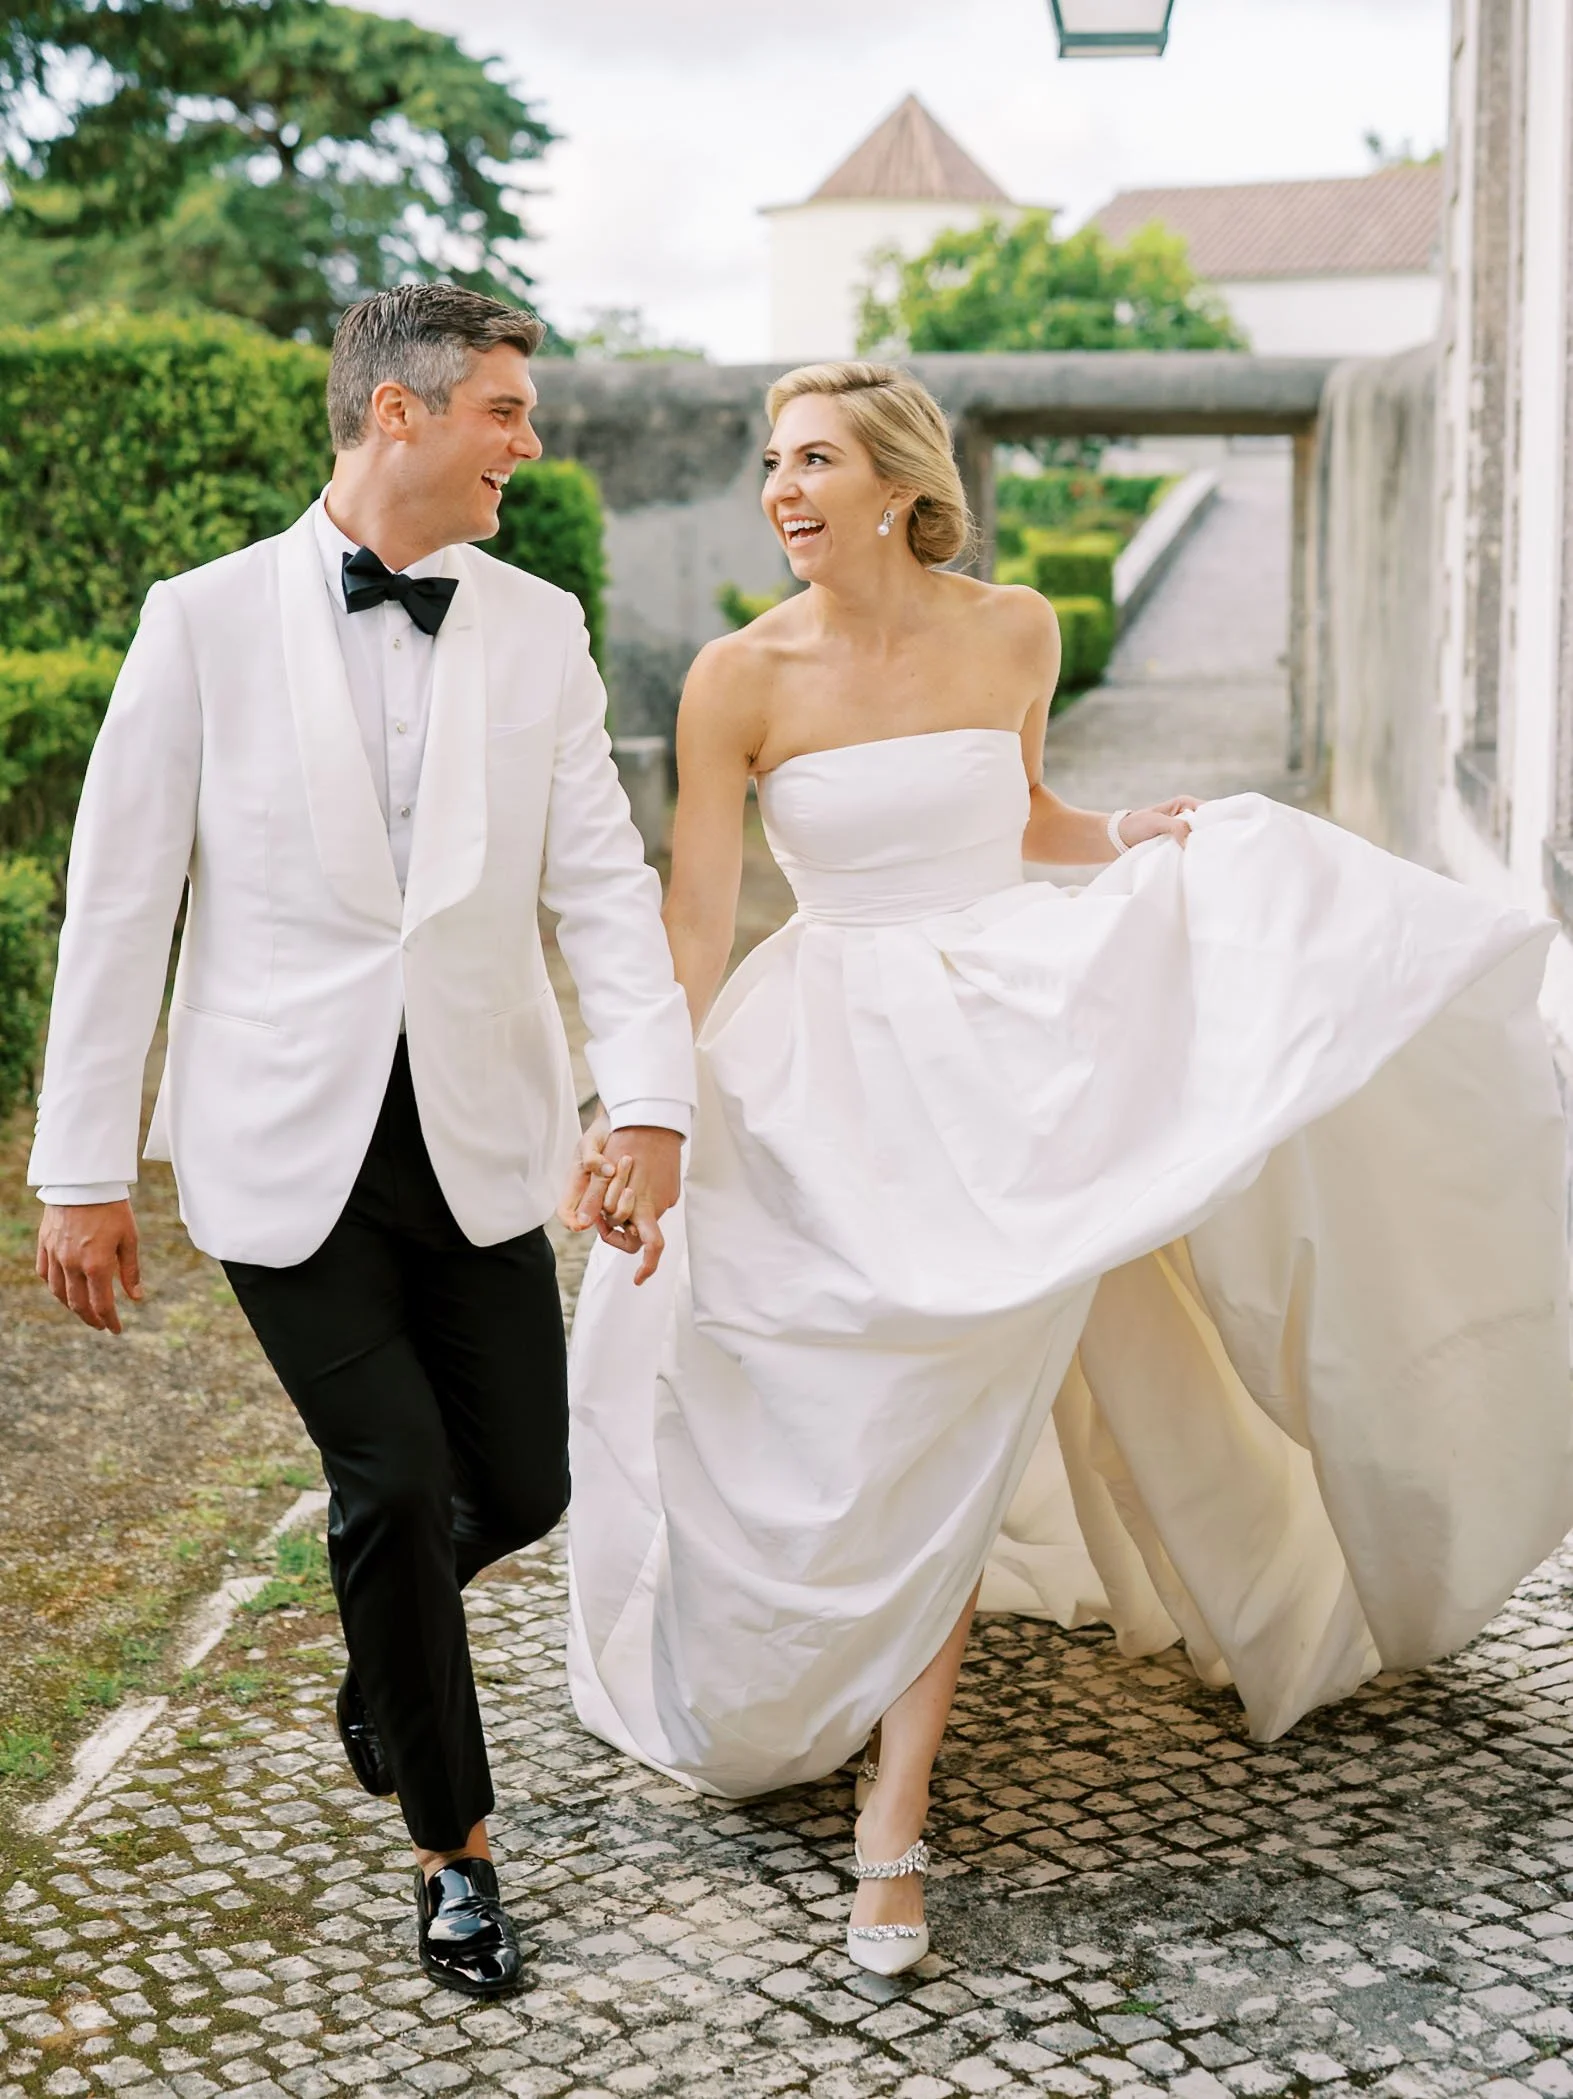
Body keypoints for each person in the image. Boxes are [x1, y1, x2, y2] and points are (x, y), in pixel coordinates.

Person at [562, 360, 1573, 1978]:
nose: (782, 490)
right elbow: (696, 919)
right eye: (771, 462)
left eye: (813, 458)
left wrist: (1124, 839)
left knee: (967, 1374)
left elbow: (1022, 809)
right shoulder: (736, 679)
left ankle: (895, 1827)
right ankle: (827, 1669)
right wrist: (638, 1107)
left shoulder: (1015, 628)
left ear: (902, 479)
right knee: (853, 1402)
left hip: (1011, 1043)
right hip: (827, 1060)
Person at [29, 284, 695, 1998]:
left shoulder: (539, 628)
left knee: (522, 1482)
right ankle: (456, 1857)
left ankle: (383, 1665)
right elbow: (122, 901)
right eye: (502, 410)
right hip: (275, 1144)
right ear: (396, 415)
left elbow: (604, 889)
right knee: (391, 1479)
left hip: (476, 1134)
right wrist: (82, 1167)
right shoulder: (197, 622)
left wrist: (651, 1102)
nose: (528, 443)